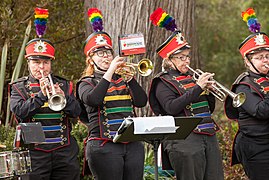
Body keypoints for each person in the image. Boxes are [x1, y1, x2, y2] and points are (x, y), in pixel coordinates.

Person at [148, 8, 224, 180]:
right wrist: (198, 88)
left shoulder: (192, 77)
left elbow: (208, 109)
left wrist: (209, 92)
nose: (186, 61)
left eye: (187, 56)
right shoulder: (163, 81)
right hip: (184, 141)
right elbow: (171, 107)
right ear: (169, 60)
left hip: (208, 135)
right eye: (181, 57)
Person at [76, 8, 147, 180]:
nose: (106, 57)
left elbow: (141, 101)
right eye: (100, 54)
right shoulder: (85, 83)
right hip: (103, 145)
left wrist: (131, 80)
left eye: (108, 52)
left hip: (133, 144)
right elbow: (94, 99)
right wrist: (110, 71)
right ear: (90, 59)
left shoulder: (123, 78)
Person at [10, 8, 80, 180]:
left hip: (64, 152)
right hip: (34, 154)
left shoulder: (64, 84)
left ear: (51, 63)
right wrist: (41, 96)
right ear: (28, 62)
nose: (41, 67)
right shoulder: (19, 87)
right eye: (36, 62)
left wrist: (64, 97)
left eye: (45, 62)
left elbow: (78, 112)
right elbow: (19, 112)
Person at [225, 8, 269, 180]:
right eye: (259, 57)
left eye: (267, 56)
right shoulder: (243, 85)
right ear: (248, 61)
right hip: (256, 148)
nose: (265, 60)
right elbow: (261, 111)